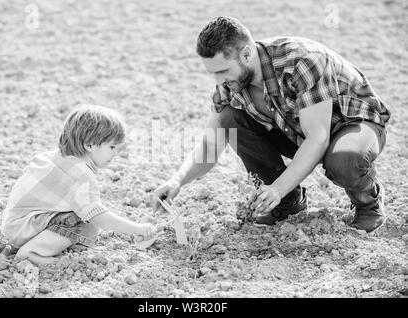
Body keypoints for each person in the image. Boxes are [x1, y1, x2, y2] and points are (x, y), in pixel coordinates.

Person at [152, 16, 390, 233]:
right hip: (296, 130)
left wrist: (277, 187)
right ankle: (288, 203)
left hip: (352, 125)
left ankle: (368, 204)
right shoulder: (229, 84)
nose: (218, 81)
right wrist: (177, 180)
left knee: (345, 160)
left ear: (246, 54)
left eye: (223, 71)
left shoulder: (302, 60)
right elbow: (210, 145)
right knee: (229, 119)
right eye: (213, 73)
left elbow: (318, 137)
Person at [2, 105, 156, 264]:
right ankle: (31, 252)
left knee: (83, 221)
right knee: (82, 225)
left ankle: (39, 243)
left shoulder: (57, 156)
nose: (115, 153)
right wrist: (136, 229)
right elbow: (98, 217)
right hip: (25, 229)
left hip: (15, 224)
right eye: (111, 147)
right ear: (89, 145)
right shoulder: (83, 176)